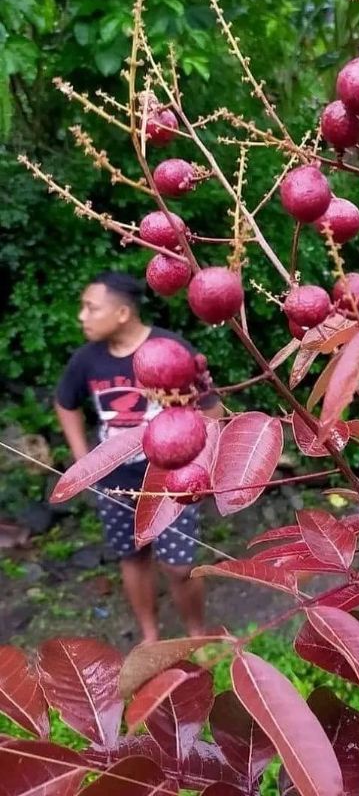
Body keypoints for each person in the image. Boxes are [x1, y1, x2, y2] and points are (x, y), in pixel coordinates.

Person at [54, 271, 224, 642]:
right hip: (115, 484)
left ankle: (197, 634)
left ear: (122, 313)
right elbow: (65, 403)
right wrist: (85, 461)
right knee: (132, 558)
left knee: (178, 566)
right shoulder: (86, 360)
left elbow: (212, 412)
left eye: (90, 307)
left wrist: (202, 466)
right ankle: (150, 637)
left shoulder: (168, 348)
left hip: (170, 481)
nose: (82, 316)